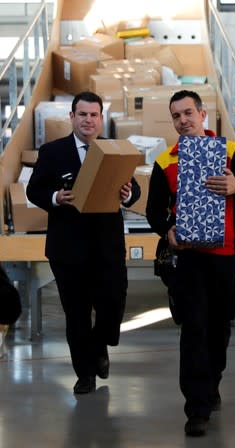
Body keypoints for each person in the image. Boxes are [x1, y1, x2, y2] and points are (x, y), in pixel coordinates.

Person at [146, 90, 235, 437]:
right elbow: (153, 212)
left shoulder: (233, 151)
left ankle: (212, 379)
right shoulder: (165, 162)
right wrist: (168, 230)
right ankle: (197, 409)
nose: (183, 120)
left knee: (220, 327)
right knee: (193, 330)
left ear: (203, 114)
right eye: (176, 116)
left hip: (225, 258)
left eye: (188, 113)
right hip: (188, 260)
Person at [26, 91, 140, 395]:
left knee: (113, 303)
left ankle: (100, 344)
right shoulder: (52, 152)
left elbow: (135, 190)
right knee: (76, 314)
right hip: (68, 249)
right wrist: (55, 198)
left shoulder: (114, 150)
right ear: (72, 117)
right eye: (82, 114)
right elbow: (34, 191)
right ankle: (85, 374)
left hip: (107, 246)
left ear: (101, 118)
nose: (88, 120)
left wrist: (128, 193)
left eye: (94, 115)